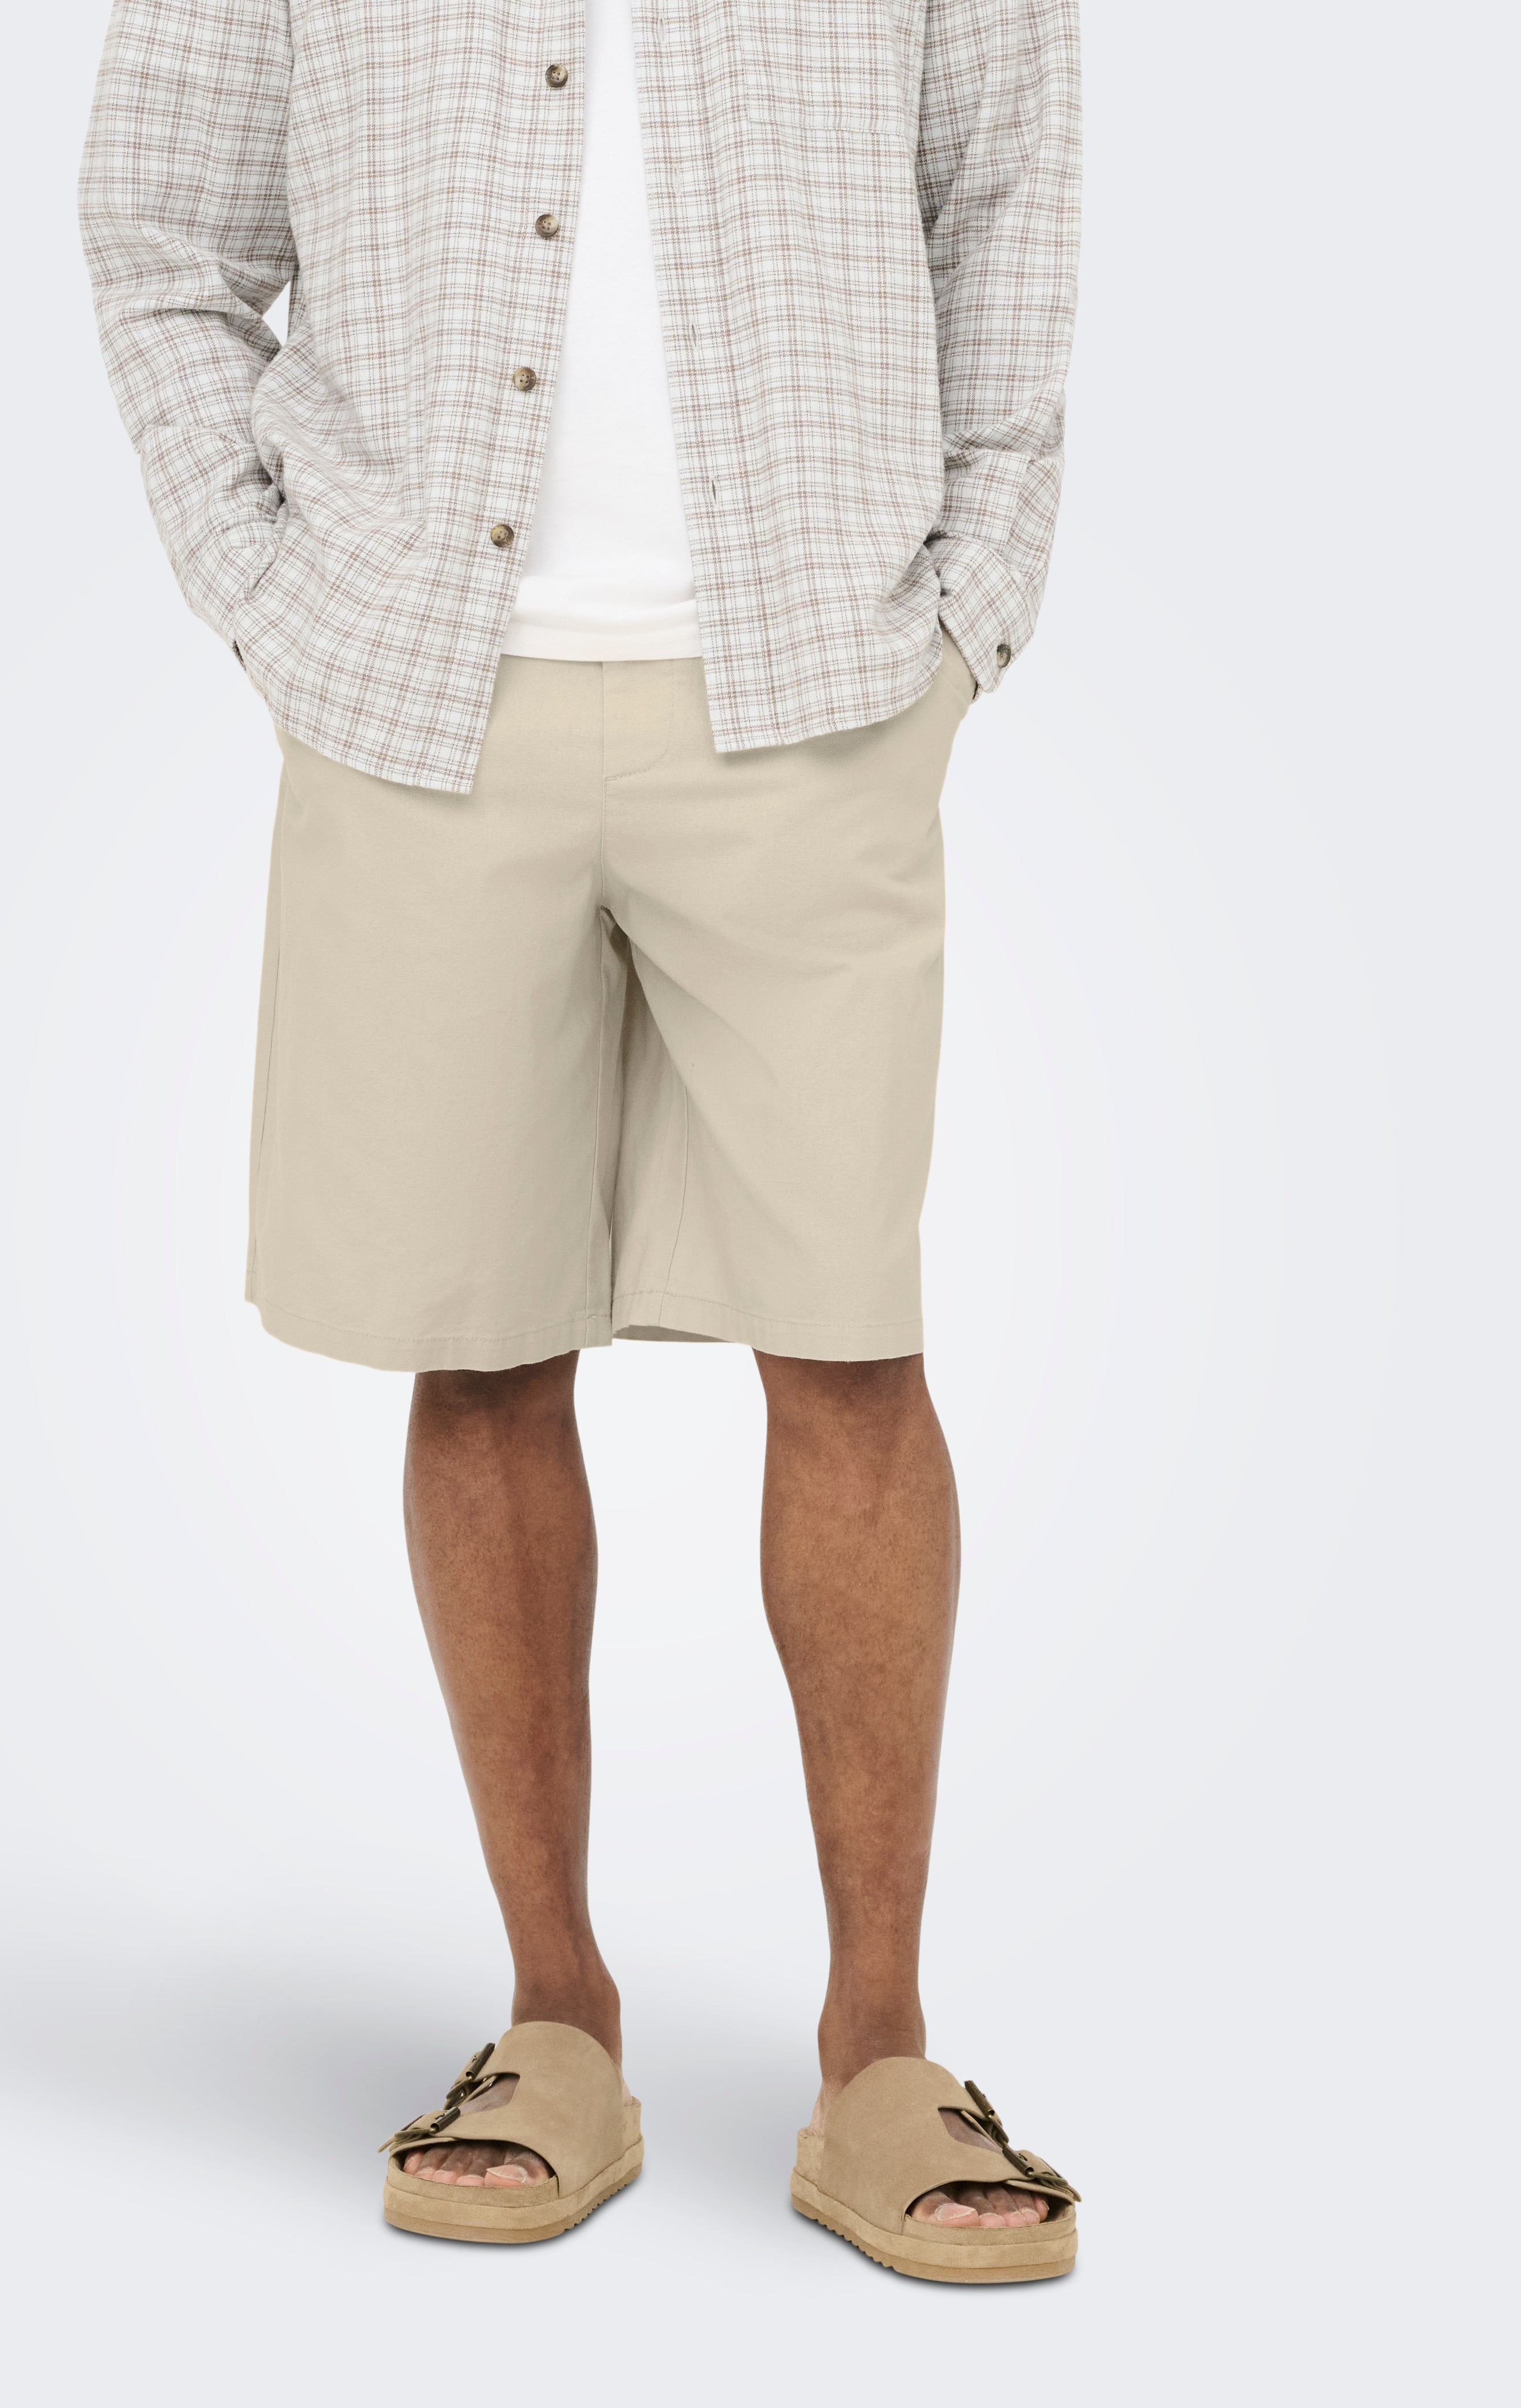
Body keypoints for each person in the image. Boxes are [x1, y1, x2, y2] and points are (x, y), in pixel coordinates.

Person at [81, 0, 1082, 2281]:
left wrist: (971, 606)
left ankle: (879, 2052)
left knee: (849, 1344)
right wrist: (275, 598)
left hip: (819, 686)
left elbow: (1006, 194)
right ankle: (556, 2020)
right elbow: (158, 225)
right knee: (481, 1338)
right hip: (417, 689)